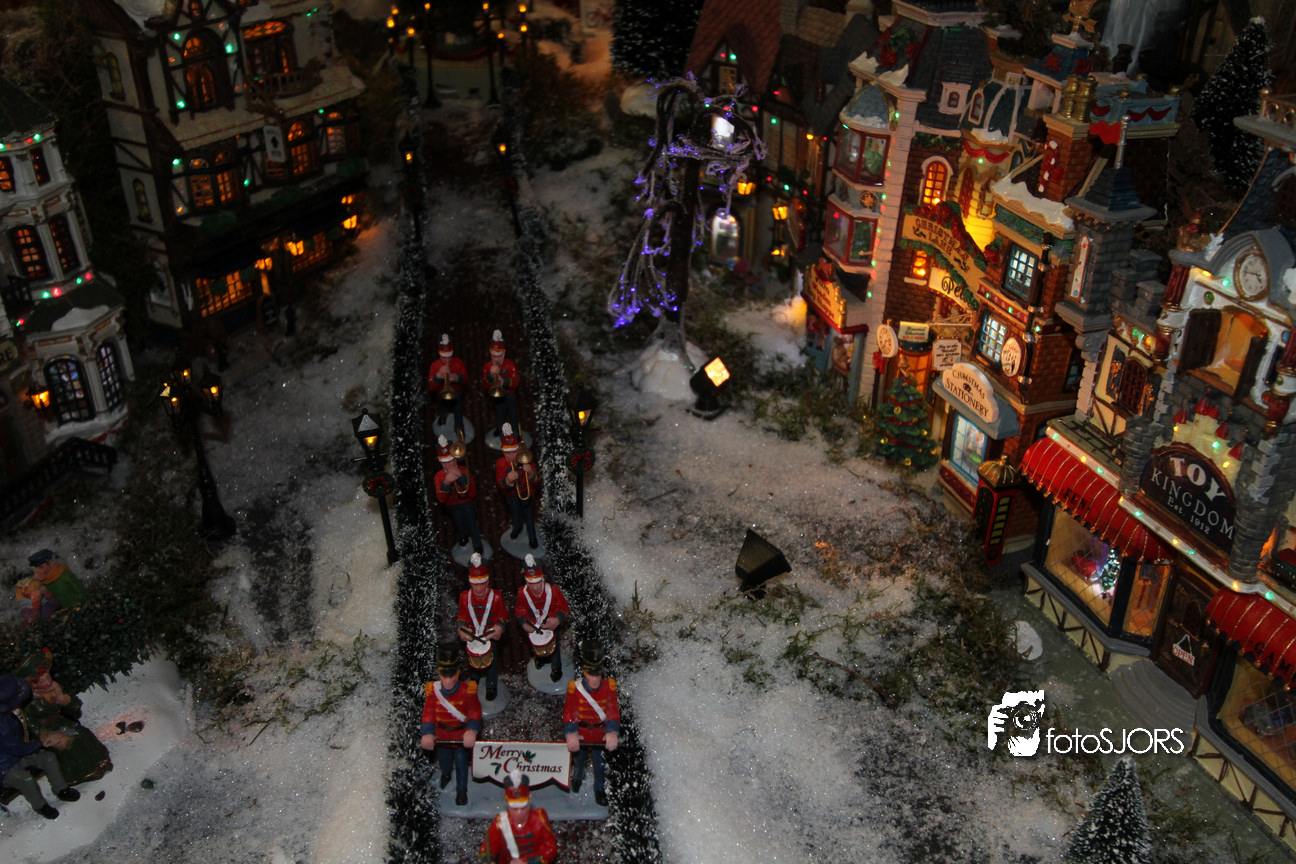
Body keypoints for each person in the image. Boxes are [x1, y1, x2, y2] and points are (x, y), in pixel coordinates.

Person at [15, 649, 112, 786]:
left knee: (82, 733)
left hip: (60, 723)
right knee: (70, 744)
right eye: (43, 681)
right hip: (45, 731)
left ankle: (99, 763)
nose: (48, 682)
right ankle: (79, 773)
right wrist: (43, 734)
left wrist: (64, 700)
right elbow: (28, 723)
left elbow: (75, 707)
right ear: (33, 684)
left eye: (49, 677)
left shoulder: (54, 689)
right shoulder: (28, 701)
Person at [0, 676, 80, 820]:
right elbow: (15, 748)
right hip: (4, 767)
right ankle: (40, 806)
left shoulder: (7, 715)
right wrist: (40, 743)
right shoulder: (2, 723)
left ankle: (61, 789)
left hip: (18, 756)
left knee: (48, 758)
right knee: (25, 779)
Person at [420, 643, 482, 807]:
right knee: (444, 761)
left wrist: (471, 730)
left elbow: (474, 711)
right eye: (444, 676)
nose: (448, 681)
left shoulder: (467, 690)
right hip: (442, 736)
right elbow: (428, 713)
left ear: (458, 673)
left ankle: (462, 791)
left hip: (460, 736)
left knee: (461, 764)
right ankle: (446, 775)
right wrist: (427, 733)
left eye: (451, 676)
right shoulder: (433, 691)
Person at [563, 640, 620, 807]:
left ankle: (599, 789)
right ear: (584, 673)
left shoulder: (609, 687)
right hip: (581, 731)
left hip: (599, 733)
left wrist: (611, 731)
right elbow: (569, 712)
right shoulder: (575, 688)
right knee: (578, 759)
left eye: (597, 675)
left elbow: (612, 711)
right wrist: (571, 733)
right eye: (591, 675)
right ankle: (577, 777)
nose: (595, 679)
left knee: (599, 763)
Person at [478, 768, 557, 864]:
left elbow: (550, 848)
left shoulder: (539, 819)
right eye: (514, 809)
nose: (519, 813)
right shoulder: (501, 822)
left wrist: (529, 862)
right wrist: (487, 860)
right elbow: (489, 847)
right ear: (508, 804)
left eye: (523, 808)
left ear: (529, 803)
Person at [458, 553, 508, 701]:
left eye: (482, 584)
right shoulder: (464, 597)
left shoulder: (496, 597)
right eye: (475, 585)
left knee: (492, 662)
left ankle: (491, 685)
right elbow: (461, 616)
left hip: (489, 635)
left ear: (488, 582)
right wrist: (462, 629)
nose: (479, 589)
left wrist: (499, 627)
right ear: (470, 583)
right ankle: (474, 677)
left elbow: (503, 616)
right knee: (473, 659)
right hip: (473, 636)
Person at [515, 554, 569, 683]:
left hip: (550, 626)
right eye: (530, 583)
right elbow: (519, 610)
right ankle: (540, 659)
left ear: (543, 579)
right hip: (534, 626)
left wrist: (557, 620)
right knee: (536, 645)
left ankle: (556, 668)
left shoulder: (553, 591)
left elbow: (564, 607)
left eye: (537, 582)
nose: (534, 587)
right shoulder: (522, 593)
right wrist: (524, 623)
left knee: (554, 648)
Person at [434, 435, 484, 555]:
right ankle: (462, 538)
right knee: (458, 524)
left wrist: (462, 479)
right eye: (446, 463)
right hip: (453, 507)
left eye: (452, 461)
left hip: (467, 504)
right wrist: (446, 483)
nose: (450, 465)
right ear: (441, 463)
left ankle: (477, 545)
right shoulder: (439, 477)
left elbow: (473, 493)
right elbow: (441, 499)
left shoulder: (464, 470)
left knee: (472, 525)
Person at [495, 424, 540, 549]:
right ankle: (517, 527)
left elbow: (535, 481)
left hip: (526, 494)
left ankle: (532, 537)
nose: (511, 456)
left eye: (514, 452)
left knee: (529, 516)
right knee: (515, 513)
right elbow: (499, 483)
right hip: (511, 496)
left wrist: (530, 472)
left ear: (519, 450)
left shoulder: (526, 459)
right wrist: (508, 480)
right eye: (507, 453)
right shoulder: (501, 463)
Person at [481, 329, 521, 439]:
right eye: (494, 356)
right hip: (497, 395)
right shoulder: (487, 367)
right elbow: (485, 385)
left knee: (513, 415)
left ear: (503, 354)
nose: (496, 359)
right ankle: (500, 429)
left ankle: (516, 433)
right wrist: (490, 375)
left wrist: (504, 381)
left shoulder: (510, 365)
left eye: (499, 356)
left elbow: (515, 382)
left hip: (509, 394)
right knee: (499, 414)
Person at [428, 333, 467, 437]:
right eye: (444, 358)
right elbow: (431, 387)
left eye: (449, 357)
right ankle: (443, 418)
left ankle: (459, 429)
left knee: (458, 411)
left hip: (456, 392)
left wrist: (456, 377)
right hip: (442, 392)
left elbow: (465, 380)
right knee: (443, 408)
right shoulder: (435, 365)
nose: (447, 360)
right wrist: (438, 376)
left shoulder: (458, 363)